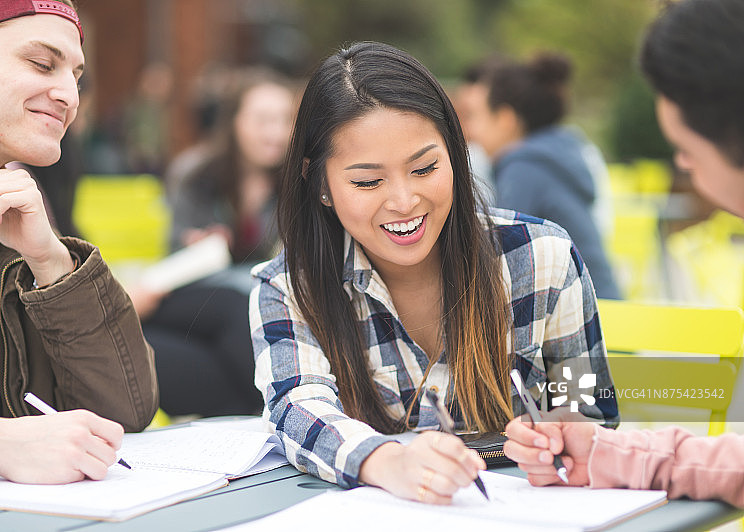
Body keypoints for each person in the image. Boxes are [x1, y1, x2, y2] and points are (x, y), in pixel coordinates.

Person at [249, 41, 618, 505]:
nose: (404, 202)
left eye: (424, 168)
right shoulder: (289, 287)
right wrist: (386, 462)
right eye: (367, 181)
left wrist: (562, 439)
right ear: (320, 181)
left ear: (456, 153)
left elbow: (589, 412)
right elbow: (295, 406)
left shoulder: (542, 257)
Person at [504, 0, 744, 508]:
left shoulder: (520, 173)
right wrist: (607, 453)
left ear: (506, 118)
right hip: (607, 318)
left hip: (591, 334)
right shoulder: (573, 149)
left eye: (686, 148)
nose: (683, 163)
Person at [0, 0, 158, 484]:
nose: (69, 96)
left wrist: (52, 261)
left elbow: (125, 408)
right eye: (42, 64)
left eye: (77, 78)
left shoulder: (12, 225)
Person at [129, 67, 295, 417]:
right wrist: (198, 246)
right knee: (238, 306)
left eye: (285, 120)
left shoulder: (298, 184)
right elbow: (176, 255)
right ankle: (281, 411)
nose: (277, 132)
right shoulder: (195, 174)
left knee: (154, 351)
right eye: (264, 120)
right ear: (234, 121)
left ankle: (250, 412)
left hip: (256, 301)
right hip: (197, 293)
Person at [460, 53, 620, 300]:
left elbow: (499, 261)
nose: (470, 130)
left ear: (505, 120)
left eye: (476, 116)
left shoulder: (524, 169)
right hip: (606, 303)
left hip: (582, 310)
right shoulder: (558, 152)